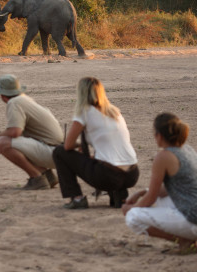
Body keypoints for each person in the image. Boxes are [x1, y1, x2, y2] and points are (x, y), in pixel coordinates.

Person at [53, 77, 139, 209]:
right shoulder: (114, 112)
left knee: (59, 152)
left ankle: (77, 198)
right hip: (132, 174)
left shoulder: (85, 112)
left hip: (109, 176)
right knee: (104, 161)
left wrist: (79, 145)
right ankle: (120, 195)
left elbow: (67, 146)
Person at [123, 113, 197, 253]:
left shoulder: (163, 156)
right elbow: (165, 191)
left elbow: (151, 197)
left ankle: (184, 241)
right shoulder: (187, 150)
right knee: (157, 200)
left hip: (193, 217)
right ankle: (187, 239)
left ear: (159, 135)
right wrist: (141, 192)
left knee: (133, 217)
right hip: (192, 207)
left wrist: (131, 209)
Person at [0, 74, 64, 190]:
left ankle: (37, 178)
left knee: (2, 143)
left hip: (52, 152)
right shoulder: (25, 100)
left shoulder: (14, 103)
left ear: (2, 94)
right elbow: (19, 133)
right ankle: (46, 175)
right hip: (56, 152)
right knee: (4, 140)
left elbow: (15, 132)